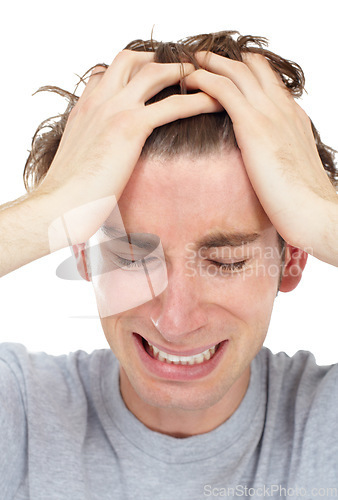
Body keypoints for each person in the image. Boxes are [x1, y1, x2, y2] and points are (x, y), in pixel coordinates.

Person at [0, 29, 337, 499]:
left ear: (294, 257)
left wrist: (320, 212)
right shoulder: (19, 411)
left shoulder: (327, 424)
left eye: (226, 261)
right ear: (83, 250)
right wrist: (54, 205)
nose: (174, 321)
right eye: (130, 256)